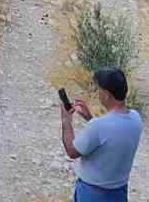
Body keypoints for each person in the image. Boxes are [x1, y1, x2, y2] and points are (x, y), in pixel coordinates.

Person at [59, 68, 143, 202]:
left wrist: (66, 121)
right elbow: (112, 136)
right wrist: (90, 118)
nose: (97, 93)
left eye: (99, 89)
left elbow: (72, 151)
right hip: (119, 193)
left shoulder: (99, 126)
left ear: (106, 94)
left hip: (92, 194)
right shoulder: (136, 118)